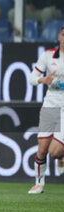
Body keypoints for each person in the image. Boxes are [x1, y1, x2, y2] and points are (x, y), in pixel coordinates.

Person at [28, 25, 64, 194]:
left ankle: (61, 156)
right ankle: (39, 184)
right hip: (50, 104)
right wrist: (43, 80)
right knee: (42, 149)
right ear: (59, 36)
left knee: (54, 152)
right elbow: (32, 78)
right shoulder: (49, 55)